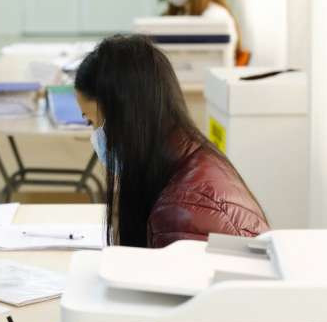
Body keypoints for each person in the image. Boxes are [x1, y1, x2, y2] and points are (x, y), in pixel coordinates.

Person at [74, 34, 269, 248]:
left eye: (93, 122)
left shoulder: (180, 212)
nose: (96, 136)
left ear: (126, 118)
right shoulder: (194, 160)